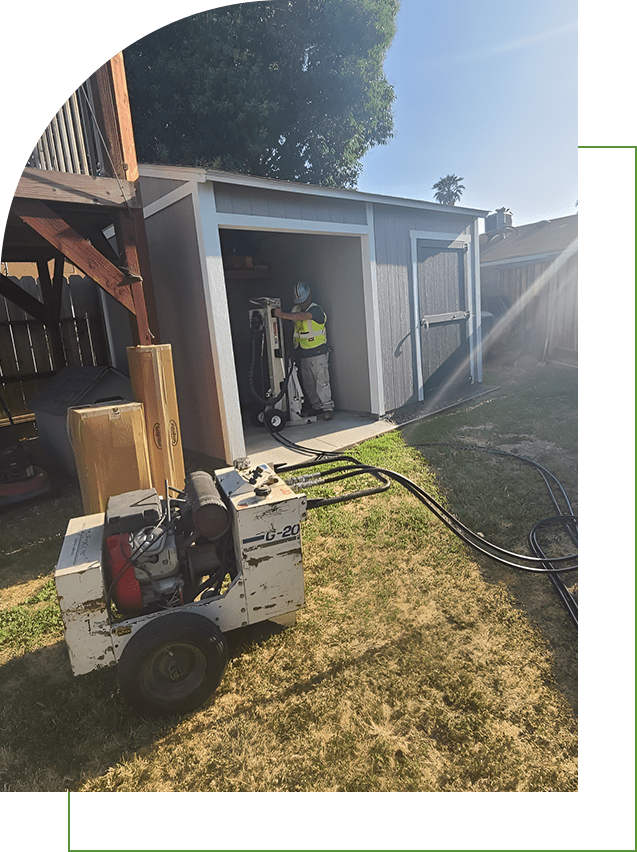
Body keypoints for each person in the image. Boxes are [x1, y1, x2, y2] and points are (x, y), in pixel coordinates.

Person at [273, 282, 334, 420]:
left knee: (321, 382)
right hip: (303, 353)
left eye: (304, 300)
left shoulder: (316, 310)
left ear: (310, 295)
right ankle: (316, 407)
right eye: (300, 302)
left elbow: (304, 316)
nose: (301, 304)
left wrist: (282, 314)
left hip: (318, 353)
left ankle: (328, 408)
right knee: (309, 384)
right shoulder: (295, 309)